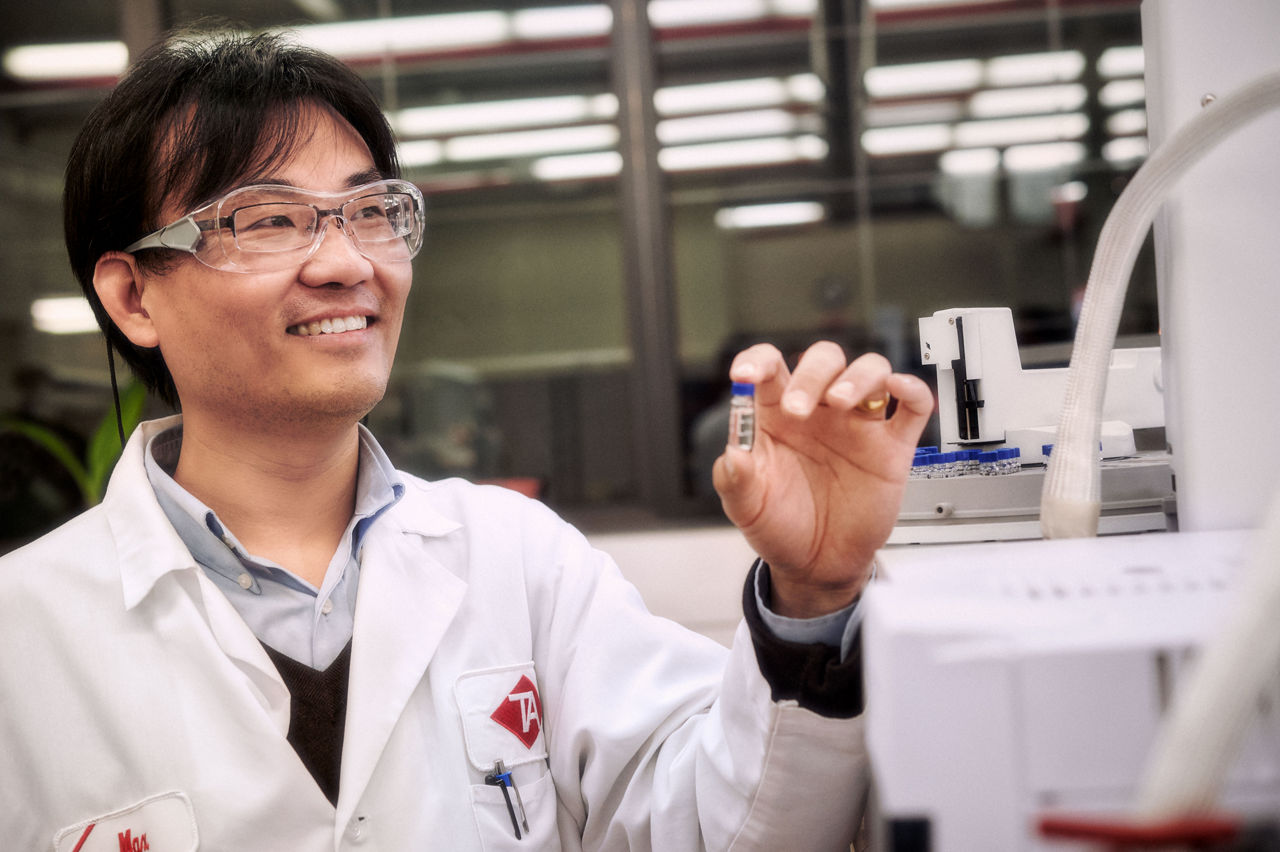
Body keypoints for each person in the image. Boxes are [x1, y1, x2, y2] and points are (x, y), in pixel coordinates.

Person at [0, 28, 932, 851]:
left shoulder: (517, 561)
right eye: (270, 219)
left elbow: (712, 826)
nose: (347, 262)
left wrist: (813, 595)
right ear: (132, 296)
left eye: (370, 211)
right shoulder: (23, 638)